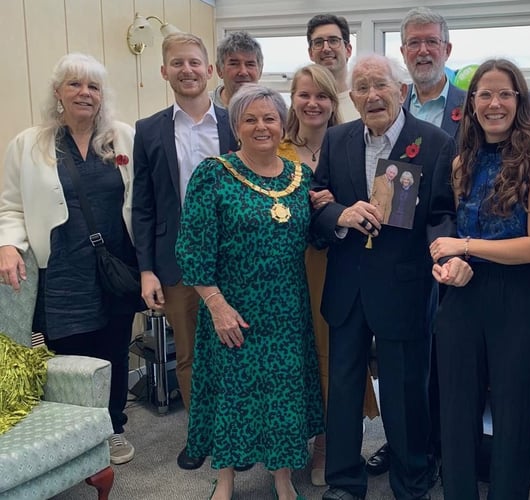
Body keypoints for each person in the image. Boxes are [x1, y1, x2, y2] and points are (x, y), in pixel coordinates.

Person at [312, 54, 471, 500]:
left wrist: (443, 249)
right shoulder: (337, 138)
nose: (371, 95)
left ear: (401, 91)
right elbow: (318, 203)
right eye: (361, 87)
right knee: (342, 388)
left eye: (380, 85)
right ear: (352, 97)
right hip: (347, 285)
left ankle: (411, 480)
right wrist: (339, 214)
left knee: (405, 392)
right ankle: (344, 480)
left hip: (405, 285)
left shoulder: (435, 142)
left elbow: (443, 211)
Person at [176, 84, 322, 500]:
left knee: (282, 395)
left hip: (286, 312)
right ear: (236, 126)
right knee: (231, 394)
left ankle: (281, 476)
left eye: (270, 118)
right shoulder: (213, 174)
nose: (261, 127)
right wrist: (216, 305)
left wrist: (328, 208)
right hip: (232, 308)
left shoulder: (301, 178)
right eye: (250, 119)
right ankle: (224, 480)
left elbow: (313, 237)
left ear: (282, 124)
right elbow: (192, 248)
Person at [428, 58, 530, 499]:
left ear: (519, 100)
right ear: (471, 103)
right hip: (463, 293)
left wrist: (465, 248)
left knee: (514, 413)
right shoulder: (460, 160)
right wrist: (447, 263)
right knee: (458, 410)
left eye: (504, 93)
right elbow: (450, 235)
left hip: (520, 297)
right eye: (484, 94)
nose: (494, 103)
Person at [0, 53, 139, 465]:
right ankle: (80, 431)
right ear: (58, 93)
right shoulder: (29, 143)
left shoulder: (123, 137)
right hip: (62, 270)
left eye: (93, 87)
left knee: (115, 348)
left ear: (102, 96)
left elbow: (142, 202)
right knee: (70, 353)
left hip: (115, 264)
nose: (85, 93)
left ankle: (112, 427)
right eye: (75, 85)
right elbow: (10, 207)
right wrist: (7, 244)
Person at [131, 33, 237, 471]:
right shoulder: (149, 129)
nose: (187, 70)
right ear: (164, 72)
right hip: (176, 263)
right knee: (190, 354)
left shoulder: (236, 122)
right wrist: (146, 271)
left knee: (235, 349)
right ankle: (200, 434)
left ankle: (236, 432)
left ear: (209, 70)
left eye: (195, 62)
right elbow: (144, 205)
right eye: (178, 63)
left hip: (234, 260)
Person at [276, 63, 380, 487]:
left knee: (331, 358)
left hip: (335, 266)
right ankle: (287, 445)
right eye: (304, 94)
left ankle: (326, 448)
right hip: (287, 266)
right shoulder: (274, 146)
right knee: (292, 358)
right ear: (293, 100)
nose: (313, 103)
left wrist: (335, 206)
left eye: (322, 95)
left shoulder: (352, 142)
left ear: (334, 101)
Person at [399, 6, 466, 141]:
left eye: (431, 41)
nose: (423, 51)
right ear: (403, 53)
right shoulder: (394, 105)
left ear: (447, 50)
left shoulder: (470, 106)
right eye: (414, 43)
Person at [307, 14, 359, 121]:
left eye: (333, 41)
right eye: (318, 43)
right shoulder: (304, 108)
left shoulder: (363, 103)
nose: (326, 48)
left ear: (348, 50)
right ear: (311, 53)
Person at [209, 31, 263, 109]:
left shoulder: (275, 111)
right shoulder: (203, 107)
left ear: (260, 71)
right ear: (219, 70)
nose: (243, 72)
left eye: (250, 64)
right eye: (234, 64)